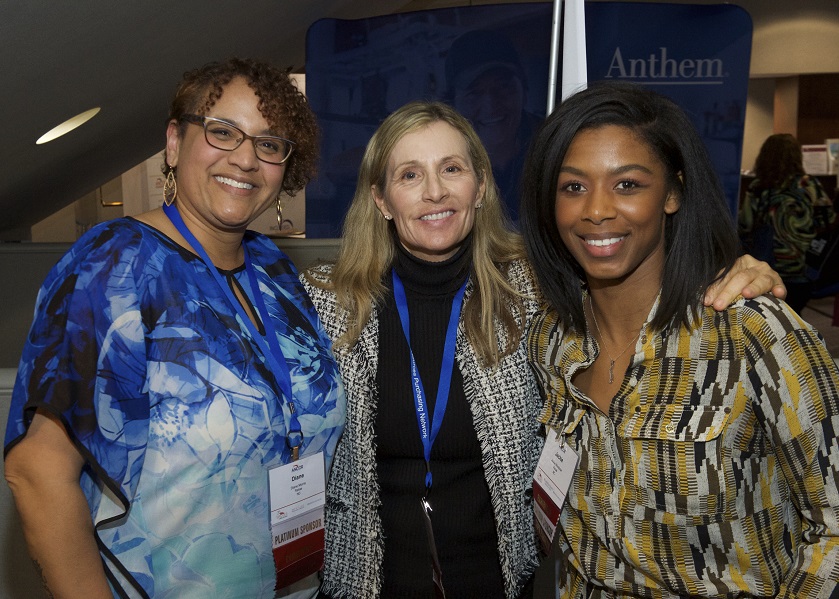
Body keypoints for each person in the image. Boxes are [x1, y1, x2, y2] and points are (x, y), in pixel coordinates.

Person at [301, 100, 784, 599]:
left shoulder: (538, 290)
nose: (435, 191)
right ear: (381, 199)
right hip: (365, 583)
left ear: (481, 186)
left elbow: (634, 278)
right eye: (409, 175)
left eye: (451, 168)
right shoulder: (323, 304)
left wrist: (739, 276)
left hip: (500, 581)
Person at [4, 58, 346, 599]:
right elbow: (38, 471)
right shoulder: (113, 268)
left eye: (269, 143)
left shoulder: (275, 271)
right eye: (222, 132)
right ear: (173, 141)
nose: (245, 159)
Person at [520, 82, 839, 597]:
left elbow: (833, 524)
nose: (596, 210)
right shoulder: (551, 338)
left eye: (627, 185)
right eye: (572, 187)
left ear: (672, 192)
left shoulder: (752, 332)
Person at [445, 29, 544, 222]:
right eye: (474, 93)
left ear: (523, 89)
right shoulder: (441, 161)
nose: (491, 105)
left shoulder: (555, 146)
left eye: (503, 87)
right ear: (453, 103)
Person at [739, 133, 836, 312]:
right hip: (804, 269)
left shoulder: (759, 187)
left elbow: (745, 225)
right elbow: (828, 219)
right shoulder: (809, 184)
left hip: (767, 269)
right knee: (795, 314)